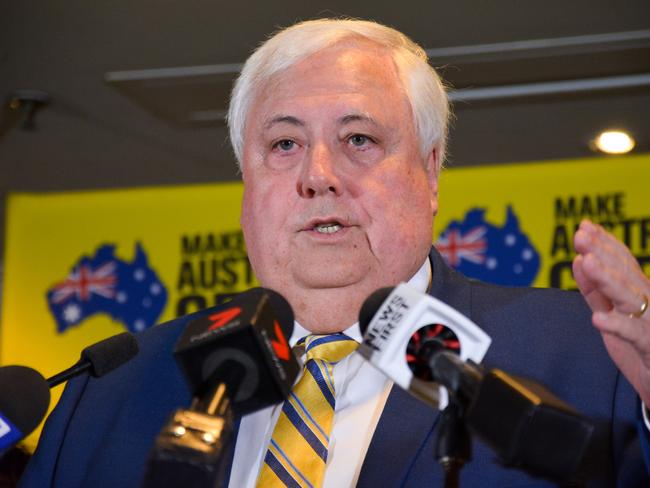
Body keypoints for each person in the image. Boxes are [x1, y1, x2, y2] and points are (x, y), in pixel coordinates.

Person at [20, 18, 650, 487]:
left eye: (359, 138)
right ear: (247, 177)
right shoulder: (105, 397)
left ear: (431, 173)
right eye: (285, 144)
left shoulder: (592, 357)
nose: (318, 175)